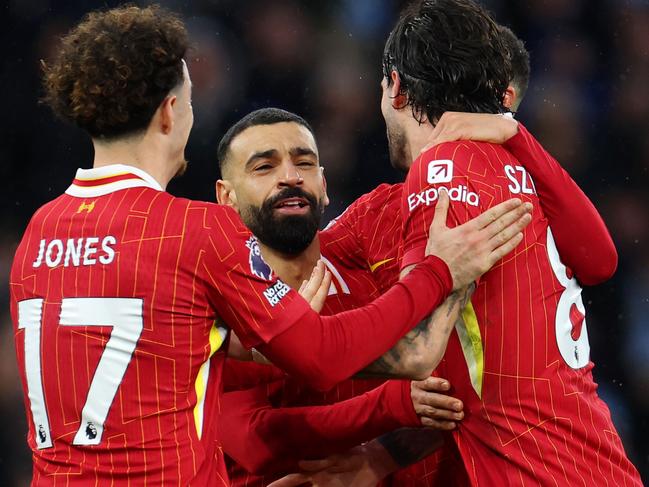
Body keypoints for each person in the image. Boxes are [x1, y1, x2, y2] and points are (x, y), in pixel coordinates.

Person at [8, 5, 532, 485]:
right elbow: (322, 359)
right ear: (170, 113)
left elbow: (150, 337)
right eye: (190, 100)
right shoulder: (194, 230)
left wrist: (267, 334)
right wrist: (437, 271)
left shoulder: (39, 231)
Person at [375, 0, 641, 485]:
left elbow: (416, 350)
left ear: (395, 86)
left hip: (538, 469)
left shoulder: (439, 173)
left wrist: (275, 337)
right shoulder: (518, 167)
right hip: (587, 459)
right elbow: (601, 260)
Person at [213, 108, 470, 486]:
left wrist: (386, 454)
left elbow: (459, 395)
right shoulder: (212, 307)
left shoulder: (368, 254)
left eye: (305, 162)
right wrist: (396, 403)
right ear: (226, 197)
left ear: (324, 184)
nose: (290, 177)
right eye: (264, 167)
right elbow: (257, 439)